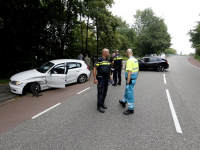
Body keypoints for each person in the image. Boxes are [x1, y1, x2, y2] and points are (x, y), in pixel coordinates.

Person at [119, 49, 139, 115]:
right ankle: (124, 101)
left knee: (130, 93)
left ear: (127, 53)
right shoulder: (135, 60)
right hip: (134, 79)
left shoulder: (129, 61)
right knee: (127, 91)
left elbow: (129, 72)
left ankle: (131, 108)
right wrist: (136, 78)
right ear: (132, 53)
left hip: (130, 80)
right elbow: (138, 70)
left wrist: (128, 82)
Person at [93, 48, 113, 113]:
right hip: (101, 78)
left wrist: (110, 76)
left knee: (105, 92)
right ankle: (99, 106)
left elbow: (109, 69)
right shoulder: (99, 60)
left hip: (106, 78)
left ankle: (102, 103)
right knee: (100, 93)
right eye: (108, 52)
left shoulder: (108, 60)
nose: (109, 53)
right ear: (104, 53)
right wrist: (95, 78)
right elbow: (94, 69)